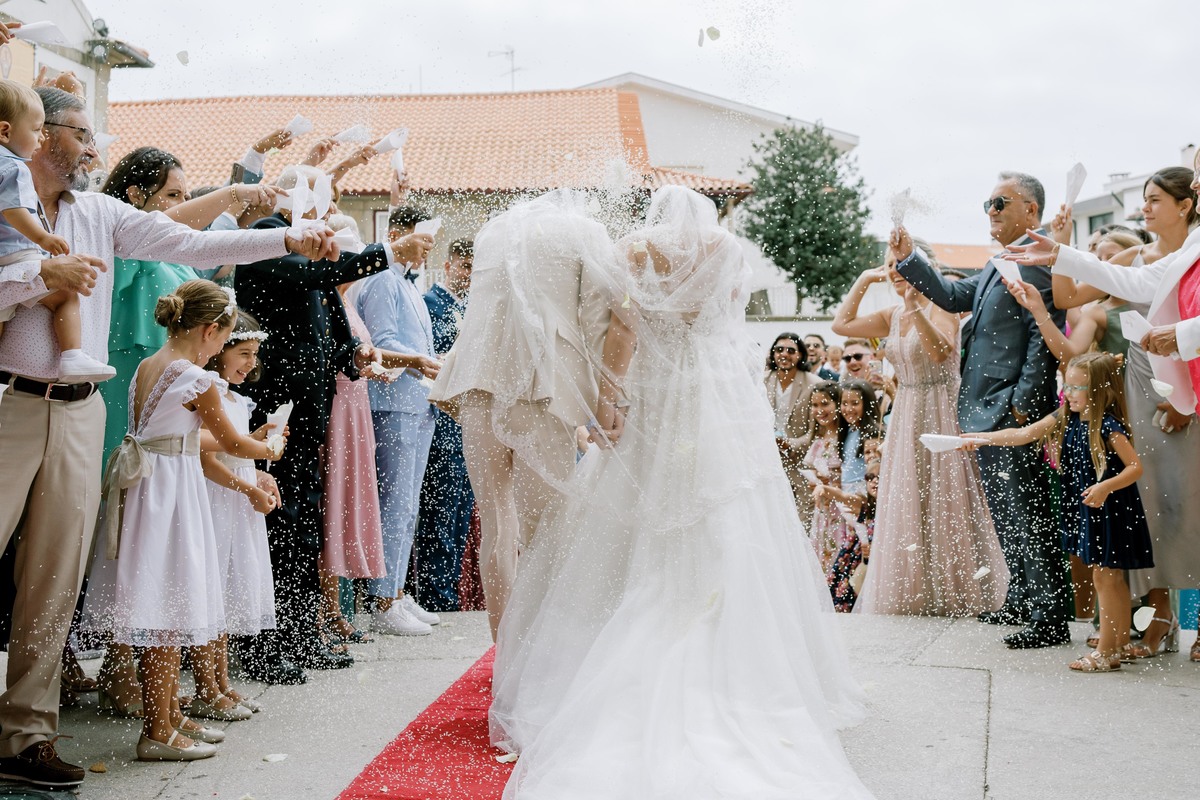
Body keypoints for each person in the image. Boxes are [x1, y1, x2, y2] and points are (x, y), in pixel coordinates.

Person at [491, 186, 874, 798]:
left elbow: (623, 329)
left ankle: (614, 666)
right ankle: (753, 670)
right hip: (718, 400)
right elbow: (725, 325)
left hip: (657, 399)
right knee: (733, 515)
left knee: (637, 515)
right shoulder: (728, 249)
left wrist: (608, 402)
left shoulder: (635, 250)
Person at [0, 87, 330, 789]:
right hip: (11, 402)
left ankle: (26, 735)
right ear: (39, 136)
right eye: (81, 132)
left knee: (52, 583)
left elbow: (191, 242)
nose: (93, 147)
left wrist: (286, 237)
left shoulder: (98, 214)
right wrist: (36, 275)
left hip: (84, 411)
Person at [234, 165, 431, 683]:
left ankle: (301, 635)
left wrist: (351, 355)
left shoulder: (310, 254)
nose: (329, 229)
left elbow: (331, 312)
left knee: (304, 518)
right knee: (279, 516)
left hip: (313, 400)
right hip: (275, 399)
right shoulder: (264, 238)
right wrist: (389, 250)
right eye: (325, 211)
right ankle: (264, 646)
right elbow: (317, 276)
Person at [80, 280, 281, 760]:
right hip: (171, 492)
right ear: (211, 330)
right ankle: (157, 732)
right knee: (169, 606)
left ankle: (168, 715)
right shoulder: (196, 377)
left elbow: (180, 435)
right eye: (222, 340)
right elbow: (232, 444)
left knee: (161, 601)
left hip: (150, 484)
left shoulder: (150, 364)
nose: (219, 353)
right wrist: (270, 447)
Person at [1012, 162, 1200, 661]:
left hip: (1181, 389)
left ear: (1183, 204)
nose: (1145, 206)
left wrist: (1184, 363)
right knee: (1156, 510)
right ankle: (1155, 623)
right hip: (1152, 390)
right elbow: (1094, 290)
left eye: (1156, 198)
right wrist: (1061, 247)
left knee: (1191, 509)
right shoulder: (1173, 252)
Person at [427, 189, 615, 640]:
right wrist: (609, 396)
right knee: (545, 527)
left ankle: (504, 647)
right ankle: (539, 651)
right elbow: (597, 315)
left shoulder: (495, 230)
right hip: (541, 386)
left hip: (476, 380)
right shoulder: (586, 232)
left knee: (494, 522)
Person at [894, 171, 1070, 648]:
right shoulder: (1000, 261)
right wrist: (909, 257)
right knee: (1006, 512)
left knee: (1027, 510)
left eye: (999, 203)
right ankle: (1022, 596)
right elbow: (953, 297)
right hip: (983, 408)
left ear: (1030, 210)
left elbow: (1043, 332)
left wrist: (1021, 406)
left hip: (1009, 410)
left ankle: (1049, 613)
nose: (989, 212)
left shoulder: (1041, 260)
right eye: (987, 204)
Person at [834, 254, 1009, 617]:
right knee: (909, 498)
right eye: (889, 266)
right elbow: (841, 325)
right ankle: (914, 591)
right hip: (907, 412)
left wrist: (915, 308)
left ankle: (956, 589)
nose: (895, 273)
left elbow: (940, 351)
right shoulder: (890, 315)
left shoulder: (941, 306)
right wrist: (866, 279)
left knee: (946, 496)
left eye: (902, 266)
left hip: (941, 406)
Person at [964, 353, 1152, 672]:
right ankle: (1118, 643)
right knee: (1108, 578)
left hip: (1109, 508)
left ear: (1101, 390)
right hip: (1090, 507)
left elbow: (1135, 467)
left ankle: (1106, 651)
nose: (1070, 392)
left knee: (1107, 577)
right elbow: (1024, 434)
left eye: (1080, 387)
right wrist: (981, 438)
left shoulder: (1108, 426)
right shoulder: (1067, 415)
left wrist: (1106, 486)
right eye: (1068, 384)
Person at [196, 310, 280, 718]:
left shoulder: (235, 396)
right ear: (219, 349)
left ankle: (223, 682)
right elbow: (210, 456)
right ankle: (205, 687)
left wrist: (259, 449)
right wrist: (250, 480)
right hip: (218, 498)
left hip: (237, 500)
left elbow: (236, 446)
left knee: (228, 592)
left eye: (254, 355)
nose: (251, 363)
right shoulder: (208, 388)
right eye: (243, 353)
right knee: (212, 591)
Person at [0, 79, 111, 383]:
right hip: (14, 253)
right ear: (5, 131)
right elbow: (13, 211)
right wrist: (43, 245)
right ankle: (72, 356)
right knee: (65, 293)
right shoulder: (13, 168)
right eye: (36, 131)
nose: (39, 140)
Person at [412, 238, 476, 612]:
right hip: (440, 424)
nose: (468, 275)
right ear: (449, 264)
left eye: (473, 268)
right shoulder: (430, 304)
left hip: (468, 425)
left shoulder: (473, 308)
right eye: (464, 265)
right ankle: (436, 595)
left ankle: (450, 590)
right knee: (439, 512)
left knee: (460, 514)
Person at [765, 331, 821, 520]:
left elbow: (816, 432)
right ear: (773, 354)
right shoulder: (762, 380)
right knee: (770, 512)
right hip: (767, 459)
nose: (784, 354)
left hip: (800, 459)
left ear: (800, 355)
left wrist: (790, 444)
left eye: (791, 350)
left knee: (803, 514)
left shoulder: (813, 383)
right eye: (779, 349)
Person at [802, 381, 848, 572]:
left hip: (842, 511)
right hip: (822, 513)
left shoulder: (846, 439)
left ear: (837, 404)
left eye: (825, 404)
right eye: (815, 405)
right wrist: (814, 481)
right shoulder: (818, 442)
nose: (819, 410)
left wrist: (832, 481)